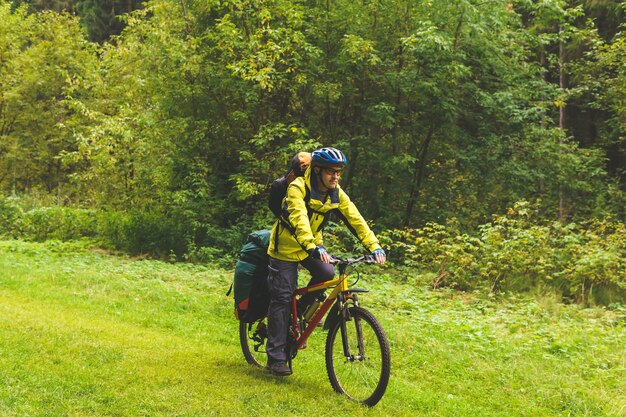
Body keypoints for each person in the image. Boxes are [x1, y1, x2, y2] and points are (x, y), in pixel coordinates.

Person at [265, 146, 386, 376]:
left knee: (327, 274)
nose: (336, 176)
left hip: (312, 247)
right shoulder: (297, 187)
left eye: (339, 172)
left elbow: (355, 219)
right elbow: (299, 219)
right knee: (282, 296)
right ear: (317, 170)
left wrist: (374, 246)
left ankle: (298, 313)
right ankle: (275, 357)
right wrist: (311, 246)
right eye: (331, 171)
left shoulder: (335, 193)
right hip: (286, 249)